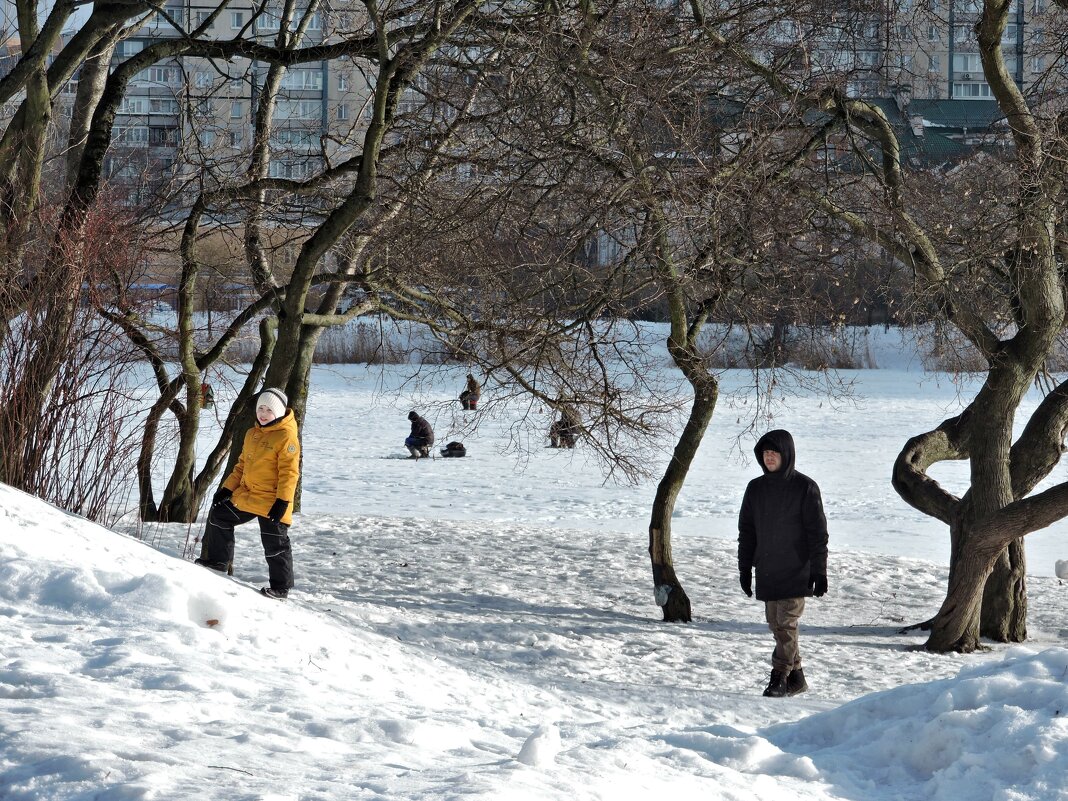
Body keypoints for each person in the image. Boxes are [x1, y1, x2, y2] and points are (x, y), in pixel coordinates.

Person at [737, 429, 828, 698]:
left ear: (786, 454)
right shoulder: (756, 488)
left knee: (786, 625)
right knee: (777, 626)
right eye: (765, 453)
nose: (769, 457)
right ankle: (797, 678)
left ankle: (779, 678)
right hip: (767, 569)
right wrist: (744, 568)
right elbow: (747, 532)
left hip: (796, 569)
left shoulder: (805, 487)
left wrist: (819, 571)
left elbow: (818, 533)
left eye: (774, 453)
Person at [196, 387, 300, 599]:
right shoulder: (252, 433)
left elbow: (289, 473)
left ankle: (281, 588)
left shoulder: (286, 437)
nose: (262, 413)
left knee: (275, 544)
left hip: (273, 501)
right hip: (248, 496)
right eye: (260, 408)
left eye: (268, 410)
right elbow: (241, 466)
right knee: (218, 517)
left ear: (279, 412)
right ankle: (218, 561)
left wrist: (283, 501)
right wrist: (227, 488)